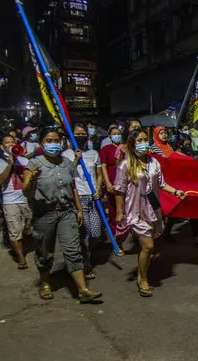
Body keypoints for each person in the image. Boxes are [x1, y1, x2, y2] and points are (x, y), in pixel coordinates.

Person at [23, 127, 101, 303]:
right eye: (49, 141)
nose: (53, 144)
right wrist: (32, 180)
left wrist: (79, 209)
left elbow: (73, 187)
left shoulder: (67, 163)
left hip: (67, 212)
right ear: (42, 143)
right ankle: (45, 284)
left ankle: (82, 289)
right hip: (45, 214)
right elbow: (27, 192)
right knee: (44, 252)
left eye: (56, 140)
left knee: (74, 250)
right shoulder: (34, 164)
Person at [114, 129, 185, 297]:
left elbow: (161, 183)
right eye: (139, 140)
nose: (144, 143)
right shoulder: (125, 165)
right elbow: (119, 190)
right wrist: (119, 211)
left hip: (153, 208)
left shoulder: (154, 163)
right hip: (135, 210)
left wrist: (176, 192)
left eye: (145, 139)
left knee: (148, 246)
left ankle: (143, 268)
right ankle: (142, 278)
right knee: (148, 246)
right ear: (132, 144)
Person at [63, 123, 104, 280]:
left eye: (83, 134)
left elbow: (98, 174)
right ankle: (85, 266)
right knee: (85, 234)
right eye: (77, 134)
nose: (80, 137)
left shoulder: (94, 153)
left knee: (95, 233)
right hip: (78, 196)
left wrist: (98, 189)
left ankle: (83, 254)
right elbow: (67, 175)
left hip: (93, 196)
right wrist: (75, 160)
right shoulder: (66, 154)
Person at [0, 135, 32, 269]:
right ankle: (21, 258)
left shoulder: (24, 160)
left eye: (12, 141)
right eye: (6, 142)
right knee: (14, 231)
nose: (10, 144)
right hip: (10, 201)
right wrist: (10, 164)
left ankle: (22, 243)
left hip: (26, 199)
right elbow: (0, 180)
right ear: (2, 146)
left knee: (27, 225)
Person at [100, 125, 124, 234]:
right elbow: (103, 167)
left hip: (124, 180)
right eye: (114, 134)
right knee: (113, 208)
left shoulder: (125, 148)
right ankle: (114, 232)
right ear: (110, 136)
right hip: (111, 179)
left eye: (118, 134)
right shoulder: (105, 149)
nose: (117, 136)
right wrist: (108, 183)